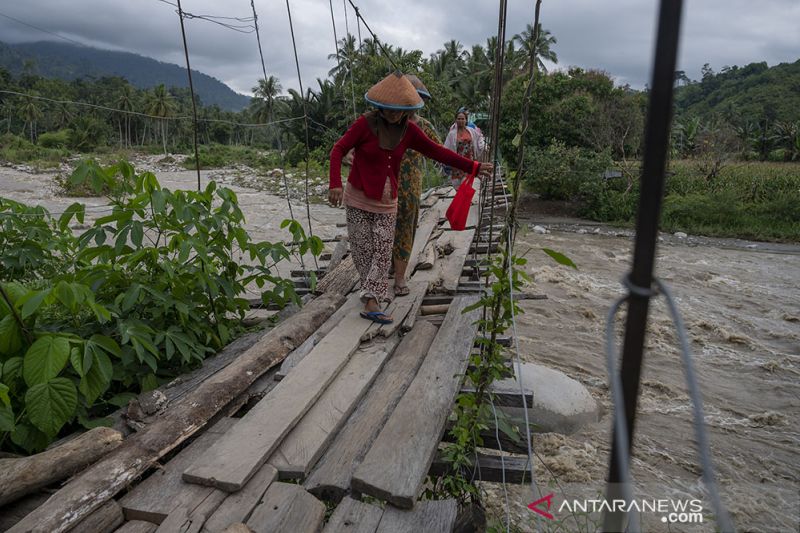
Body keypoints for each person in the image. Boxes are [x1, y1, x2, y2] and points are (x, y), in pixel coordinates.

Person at [329, 71, 492, 324]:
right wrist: (335, 184)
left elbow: (438, 152)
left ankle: (372, 299)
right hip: (358, 196)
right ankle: (371, 291)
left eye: (399, 111)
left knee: (382, 249)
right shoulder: (365, 124)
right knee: (363, 250)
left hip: (387, 200)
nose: (394, 115)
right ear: (380, 107)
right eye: (389, 110)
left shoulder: (410, 131)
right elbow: (338, 149)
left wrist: (474, 167)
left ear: (407, 110)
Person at [391, 74, 440, 297]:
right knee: (383, 230)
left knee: (405, 231)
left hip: (410, 189)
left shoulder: (422, 126)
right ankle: (386, 270)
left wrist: (467, 168)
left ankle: (399, 278)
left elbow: (440, 153)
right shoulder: (383, 123)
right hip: (384, 187)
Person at [444, 109, 485, 188]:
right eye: (459, 119)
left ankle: (466, 200)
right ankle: (464, 200)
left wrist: (483, 145)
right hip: (457, 164)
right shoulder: (452, 134)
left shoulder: (471, 131)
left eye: (463, 119)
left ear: (466, 120)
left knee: (466, 185)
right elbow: (446, 147)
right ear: (456, 120)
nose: (461, 120)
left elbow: (480, 137)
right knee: (458, 187)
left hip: (469, 162)